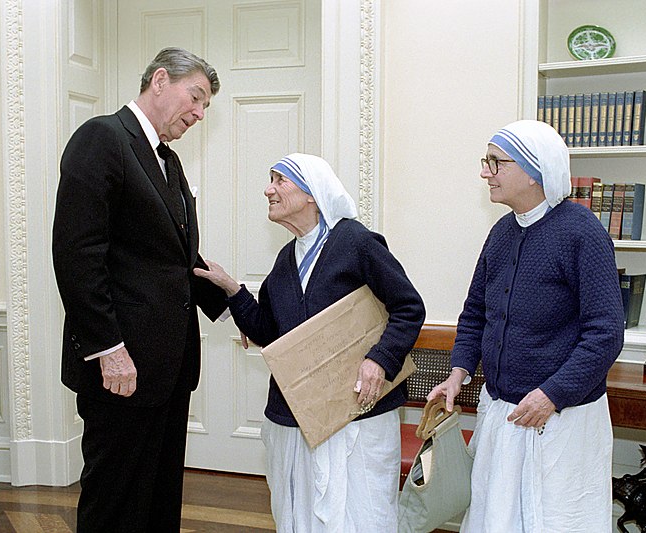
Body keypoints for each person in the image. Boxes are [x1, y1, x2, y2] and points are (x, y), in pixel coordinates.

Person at [193, 153, 425, 532]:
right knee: (299, 515)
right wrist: (233, 289)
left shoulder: (356, 241)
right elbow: (270, 331)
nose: (268, 189)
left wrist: (380, 359)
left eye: (280, 180)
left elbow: (409, 307)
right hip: (298, 418)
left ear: (313, 194)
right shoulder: (286, 259)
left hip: (359, 413)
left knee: (360, 514)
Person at [52, 47, 228, 532]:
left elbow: (176, 261)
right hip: (121, 369)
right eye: (195, 97)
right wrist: (109, 349)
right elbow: (77, 257)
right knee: (115, 501)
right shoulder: (102, 138)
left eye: (205, 107)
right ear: (158, 80)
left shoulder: (167, 161)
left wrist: (236, 309)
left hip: (168, 370)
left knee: (158, 496)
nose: (198, 113)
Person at [427, 120, 625, 532]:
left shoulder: (582, 232)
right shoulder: (500, 232)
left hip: (558, 422)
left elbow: (605, 332)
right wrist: (458, 372)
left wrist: (552, 394)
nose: (485, 173)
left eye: (495, 163)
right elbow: (476, 311)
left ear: (534, 171)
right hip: (503, 415)